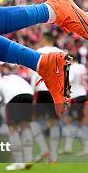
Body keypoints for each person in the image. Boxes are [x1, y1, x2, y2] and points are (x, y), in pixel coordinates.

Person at [0, 70, 35, 171]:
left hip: (13, 97)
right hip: (29, 95)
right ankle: (29, 158)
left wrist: (8, 120)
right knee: (25, 126)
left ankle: (18, 162)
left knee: (12, 129)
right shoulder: (15, 78)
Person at [30, 35, 64, 163]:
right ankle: (53, 158)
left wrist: (32, 90)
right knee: (54, 122)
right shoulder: (61, 53)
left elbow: (35, 71)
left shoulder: (38, 51)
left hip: (41, 89)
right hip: (55, 91)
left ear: (45, 40)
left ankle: (44, 148)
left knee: (32, 120)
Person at [62, 55, 88, 156]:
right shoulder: (82, 67)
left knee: (69, 121)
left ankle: (71, 147)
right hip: (83, 94)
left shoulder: (72, 68)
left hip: (77, 96)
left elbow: (68, 81)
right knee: (79, 122)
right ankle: (71, 147)